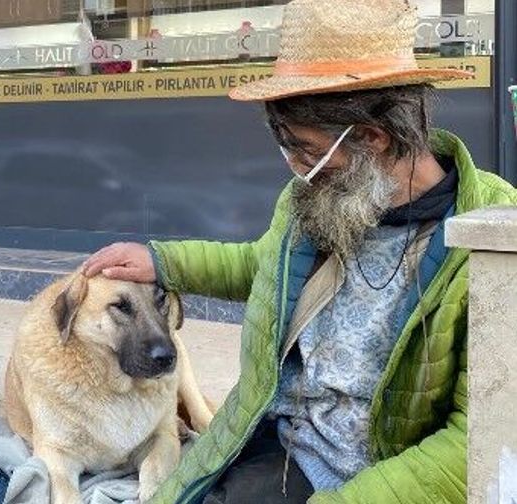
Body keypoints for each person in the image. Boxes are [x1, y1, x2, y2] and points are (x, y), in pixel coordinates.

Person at [82, 1, 517, 503]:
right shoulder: (322, 200)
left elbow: (479, 435)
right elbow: (264, 268)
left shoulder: (491, 242)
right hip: (285, 438)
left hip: (378, 472)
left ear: (374, 138)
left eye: (309, 152)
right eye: (286, 149)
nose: (297, 169)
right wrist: (163, 262)